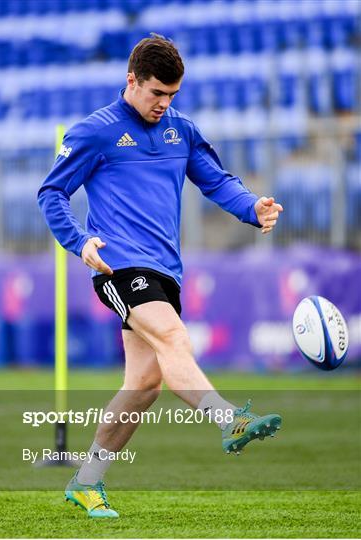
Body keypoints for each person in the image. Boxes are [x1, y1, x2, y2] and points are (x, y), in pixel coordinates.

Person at [38, 34, 283, 519]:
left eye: (172, 95)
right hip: (118, 264)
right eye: (156, 93)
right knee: (173, 336)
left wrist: (252, 207)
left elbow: (215, 180)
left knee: (145, 385)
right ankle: (229, 418)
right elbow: (51, 193)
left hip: (166, 270)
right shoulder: (96, 132)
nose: (164, 104)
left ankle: (86, 483)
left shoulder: (180, 130)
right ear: (131, 80)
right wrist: (80, 241)